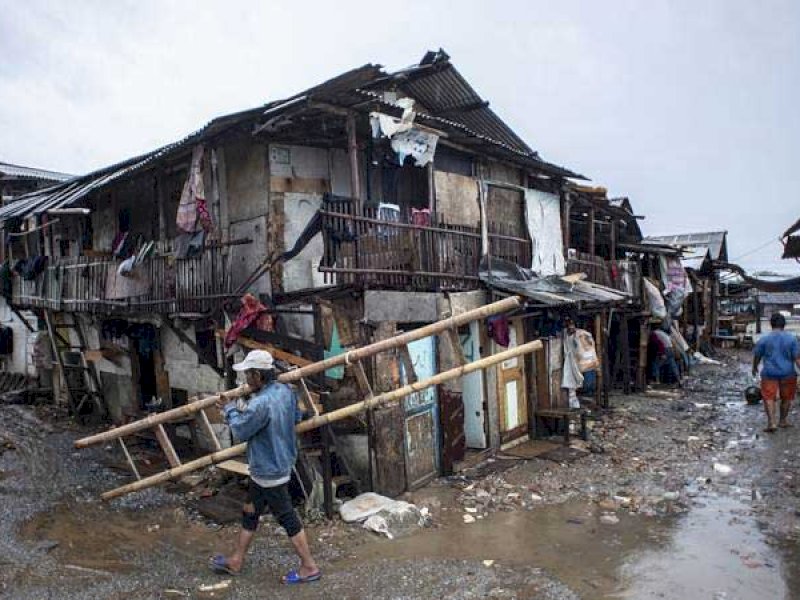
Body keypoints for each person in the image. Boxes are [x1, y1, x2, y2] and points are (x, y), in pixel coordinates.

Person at [209, 350, 321, 584]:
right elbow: (297, 418)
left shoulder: (260, 403)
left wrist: (229, 408)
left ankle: (309, 567)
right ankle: (236, 560)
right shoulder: (286, 392)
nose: (246, 380)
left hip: (269, 469)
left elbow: (240, 430)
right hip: (275, 463)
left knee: (287, 517)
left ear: (258, 376)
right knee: (250, 510)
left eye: (248, 374)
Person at [752, 313, 800, 433]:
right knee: (787, 397)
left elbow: (757, 355)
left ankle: (772, 422)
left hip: (769, 373)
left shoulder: (764, 339)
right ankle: (783, 421)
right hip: (788, 372)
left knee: (769, 397)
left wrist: (754, 367)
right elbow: (797, 358)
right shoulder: (792, 339)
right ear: (784, 324)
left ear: (771, 324)